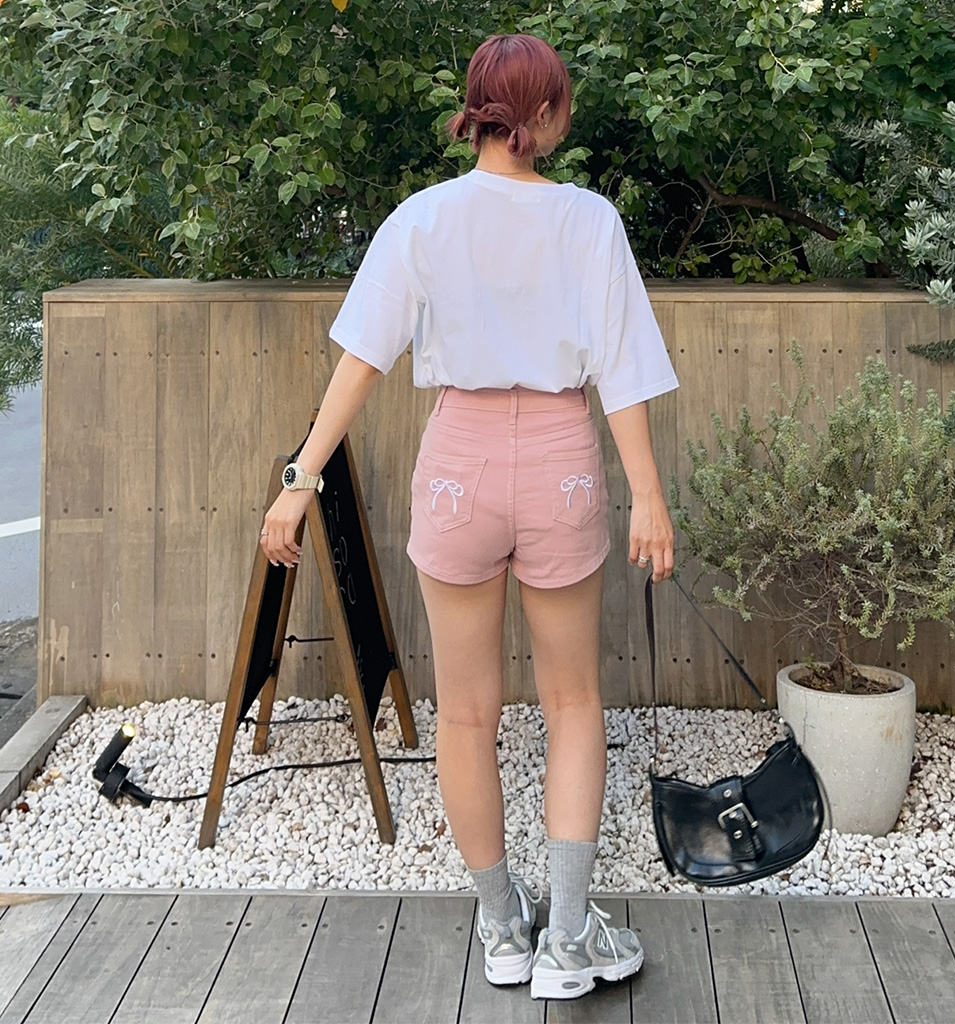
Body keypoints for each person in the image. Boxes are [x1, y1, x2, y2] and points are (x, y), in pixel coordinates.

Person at [259, 32, 678, 1002]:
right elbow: (621, 371)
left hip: (460, 466)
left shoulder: (422, 220)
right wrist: (649, 497)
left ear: (481, 113)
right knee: (572, 702)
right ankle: (566, 940)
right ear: (543, 114)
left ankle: (502, 929)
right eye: (562, 103)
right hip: (561, 462)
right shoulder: (589, 221)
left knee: (466, 714)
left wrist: (300, 478)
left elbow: (361, 363)